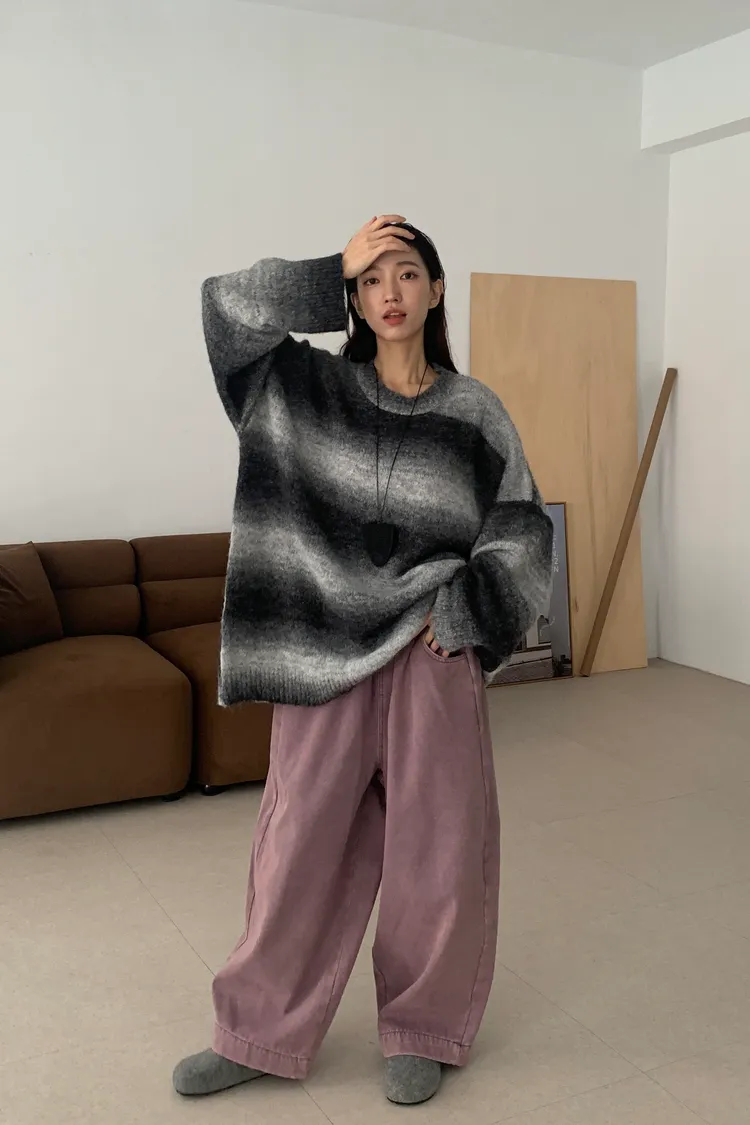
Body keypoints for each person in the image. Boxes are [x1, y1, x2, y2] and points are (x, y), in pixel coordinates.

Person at [173, 216, 553, 1106]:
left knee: (440, 847)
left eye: (407, 272)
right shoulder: (302, 386)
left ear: (436, 289)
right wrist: (326, 268)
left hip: (432, 650)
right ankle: (257, 1029)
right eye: (371, 277)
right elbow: (225, 309)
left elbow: (522, 527)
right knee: (297, 843)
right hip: (321, 651)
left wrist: (467, 609)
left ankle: (423, 1026)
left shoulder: (475, 410)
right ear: (352, 294)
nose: (389, 292)